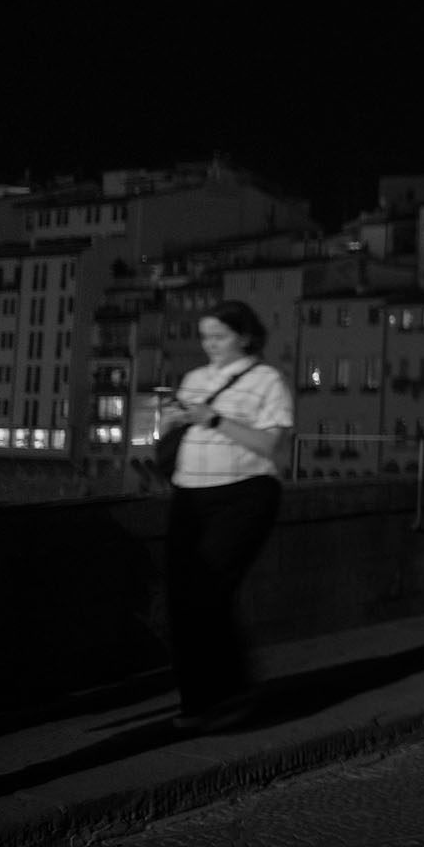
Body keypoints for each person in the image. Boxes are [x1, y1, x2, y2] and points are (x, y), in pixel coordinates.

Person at [161, 300, 294, 733]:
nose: (210, 345)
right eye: (205, 337)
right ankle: (198, 700)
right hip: (189, 493)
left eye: (219, 336)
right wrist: (172, 422)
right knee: (180, 597)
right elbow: (178, 434)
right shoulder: (195, 378)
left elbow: (270, 445)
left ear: (245, 336)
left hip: (243, 494)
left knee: (210, 589)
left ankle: (231, 693)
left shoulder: (267, 380)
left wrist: (214, 419)